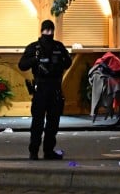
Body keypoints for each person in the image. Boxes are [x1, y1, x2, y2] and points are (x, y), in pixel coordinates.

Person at [19, 19, 73, 160]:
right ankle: (34, 151)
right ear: (42, 31)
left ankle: (48, 151)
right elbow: (22, 65)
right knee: (37, 122)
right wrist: (35, 60)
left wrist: (60, 59)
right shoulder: (34, 48)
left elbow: (68, 62)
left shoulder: (58, 47)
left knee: (53, 123)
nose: (48, 33)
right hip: (41, 87)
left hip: (54, 88)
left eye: (50, 30)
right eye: (46, 30)